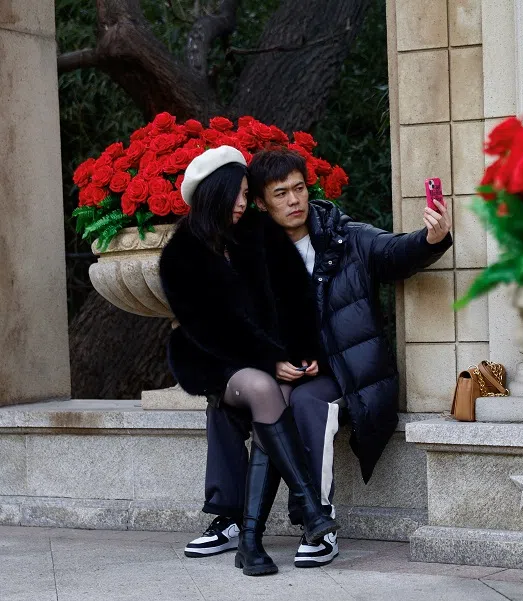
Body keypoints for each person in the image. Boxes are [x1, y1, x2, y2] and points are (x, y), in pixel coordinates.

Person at [183, 147, 453, 568]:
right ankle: (228, 517)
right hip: (280, 373)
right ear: (261, 203)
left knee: (308, 401)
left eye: (299, 189)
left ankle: (319, 521)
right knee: (225, 400)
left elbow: (395, 253)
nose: (294, 200)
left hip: (342, 374)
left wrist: (432, 238)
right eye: (281, 194)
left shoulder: (345, 236)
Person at [159, 146, 338, 577]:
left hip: (270, 360)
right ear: (213, 196)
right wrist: (269, 358)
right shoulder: (181, 254)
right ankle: (310, 509)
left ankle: (251, 542)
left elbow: (295, 299)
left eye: (245, 194)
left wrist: (300, 356)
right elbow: (209, 328)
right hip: (218, 362)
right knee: (262, 388)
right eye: (237, 195)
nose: (243, 203)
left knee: (274, 394)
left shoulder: (258, 232)